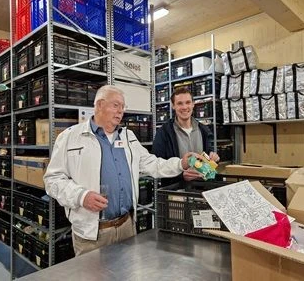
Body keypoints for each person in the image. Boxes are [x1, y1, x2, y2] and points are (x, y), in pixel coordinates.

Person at [46, 85, 204, 256]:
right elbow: (53, 180)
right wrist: (81, 196)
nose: (121, 111)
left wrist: (181, 163)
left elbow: (152, 164)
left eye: (123, 106)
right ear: (99, 105)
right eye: (116, 105)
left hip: (127, 227)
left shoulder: (128, 137)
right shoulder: (70, 137)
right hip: (93, 233)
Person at [151, 87, 218, 188]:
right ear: (173, 106)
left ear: (193, 104)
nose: (184, 107)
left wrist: (213, 157)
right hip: (176, 190)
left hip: (202, 187)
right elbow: (157, 165)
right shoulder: (164, 133)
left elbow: (207, 157)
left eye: (188, 102)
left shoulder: (204, 130)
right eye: (179, 103)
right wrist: (181, 176)